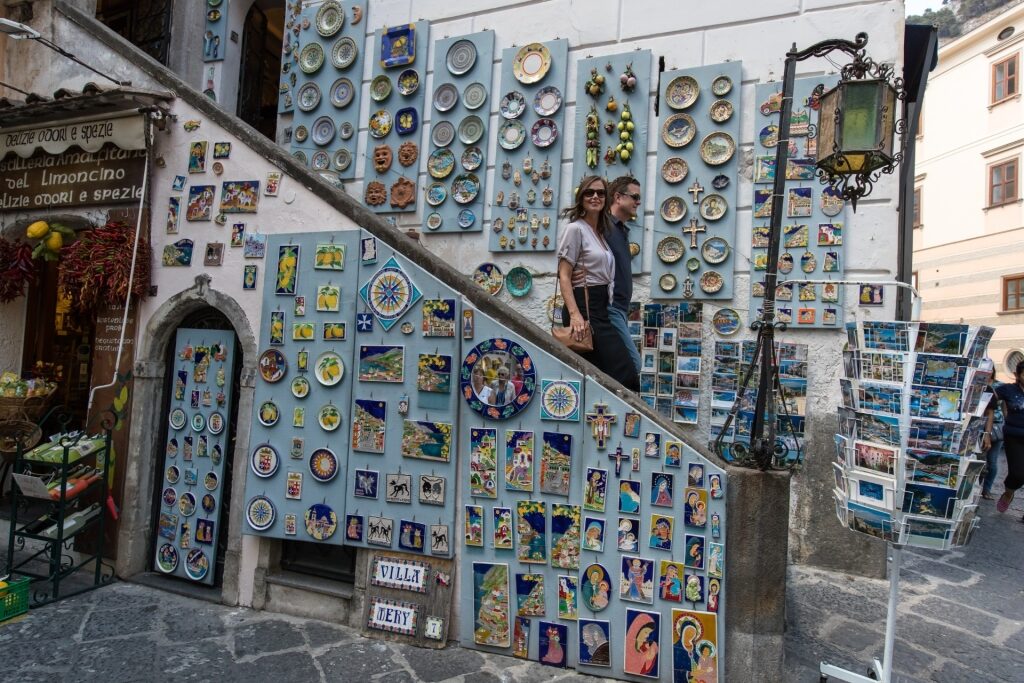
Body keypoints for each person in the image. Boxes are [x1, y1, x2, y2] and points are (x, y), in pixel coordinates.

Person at [557, 175, 640, 390]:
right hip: (585, 307)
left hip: (601, 307)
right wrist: (575, 315)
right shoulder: (575, 229)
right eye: (589, 192)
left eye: (600, 193)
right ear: (581, 197)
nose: (595, 196)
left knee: (605, 373)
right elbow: (564, 275)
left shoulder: (601, 233)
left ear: (607, 197)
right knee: (625, 371)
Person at [601, 175, 643, 373]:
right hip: (610, 308)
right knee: (632, 364)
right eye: (634, 197)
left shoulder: (621, 230)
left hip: (620, 309)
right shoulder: (604, 227)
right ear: (618, 197)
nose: (638, 202)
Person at [991, 360, 1024, 519]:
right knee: (1018, 474)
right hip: (1014, 438)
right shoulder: (1009, 389)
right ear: (1018, 375)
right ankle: (1009, 492)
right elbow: (990, 397)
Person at [980, 359, 1005, 500]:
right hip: (983, 427)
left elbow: (1001, 407)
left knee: (992, 462)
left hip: (996, 428)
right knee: (981, 461)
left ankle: (986, 489)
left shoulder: (999, 386)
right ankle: (977, 488)